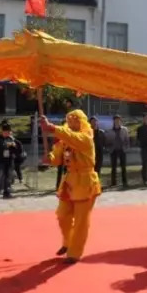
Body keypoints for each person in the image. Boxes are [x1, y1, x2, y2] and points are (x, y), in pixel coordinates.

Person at [40, 110, 101, 264]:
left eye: (76, 121)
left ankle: (75, 252)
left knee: (81, 220)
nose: (73, 123)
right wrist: (50, 158)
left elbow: (74, 138)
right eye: (70, 120)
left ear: (82, 122)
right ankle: (68, 242)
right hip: (69, 181)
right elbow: (57, 158)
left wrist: (53, 128)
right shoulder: (64, 139)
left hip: (85, 181)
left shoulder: (86, 138)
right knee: (62, 215)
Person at [0, 121, 19, 199]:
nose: (7, 133)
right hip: (1, 160)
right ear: (2, 131)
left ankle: (7, 193)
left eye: (8, 132)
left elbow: (16, 149)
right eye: (6, 132)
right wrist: (5, 145)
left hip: (9, 160)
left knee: (8, 177)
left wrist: (13, 146)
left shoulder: (11, 138)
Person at [105, 115, 129, 187]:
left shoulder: (124, 130)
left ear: (120, 121)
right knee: (113, 167)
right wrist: (109, 149)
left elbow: (127, 140)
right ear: (114, 121)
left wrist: (126, 148)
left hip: (122, 150)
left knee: (123, 167)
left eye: (118, 120)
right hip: (113, 151)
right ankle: (113, 183)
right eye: (116, 120)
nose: (117, 121)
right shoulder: (110, 131)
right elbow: (107, 141)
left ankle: (124, 182)